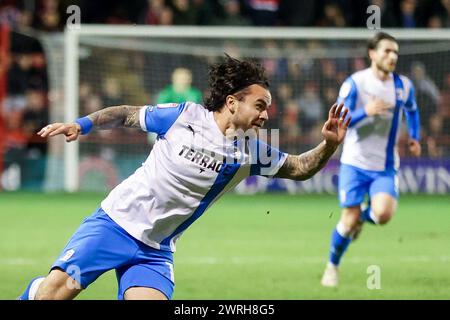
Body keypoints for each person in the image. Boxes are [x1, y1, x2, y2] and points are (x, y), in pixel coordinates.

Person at [19, 55, 350, 300]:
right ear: (232, 102)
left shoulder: (252, 150)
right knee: (52, 296)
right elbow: (125, 114)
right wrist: (82, 124)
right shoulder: (183, 116)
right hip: (114, 224)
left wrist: (329, 144)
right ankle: (36, 291)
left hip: (156, 250)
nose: (266, 114)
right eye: (259, 105)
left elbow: (300, 168)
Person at [320, 32, 421, 287]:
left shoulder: (403, 86)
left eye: (395, 52)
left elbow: (412, 110)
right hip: (354, 164)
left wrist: (415, 137)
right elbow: (339, 120)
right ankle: (332, 266)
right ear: (372, 54)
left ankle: (361, 219)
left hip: (385, 166)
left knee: (384, 214)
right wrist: (366, 111)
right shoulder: (355, 83)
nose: (392, 56)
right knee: (347, 219)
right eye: (387, 51)